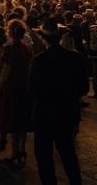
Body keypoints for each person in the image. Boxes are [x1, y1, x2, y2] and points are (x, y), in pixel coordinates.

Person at [31, 16, 89, 184]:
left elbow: (32, 89)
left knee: (44, 155)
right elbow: (84, 88)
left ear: (43, 39)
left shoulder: (38, 60)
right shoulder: (76, 58)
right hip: (67, 112)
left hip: (44, 114)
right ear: (61, 37)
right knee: (68, 153)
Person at [0, 19, 33, 166]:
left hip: (12, 87)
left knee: (12, 119)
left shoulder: (10, 49)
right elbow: (29, 69)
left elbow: (6, 72)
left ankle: (14, 151)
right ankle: (22, 149)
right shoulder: (27, 48)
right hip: (24, 86)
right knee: (22, 119)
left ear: (10, 32)